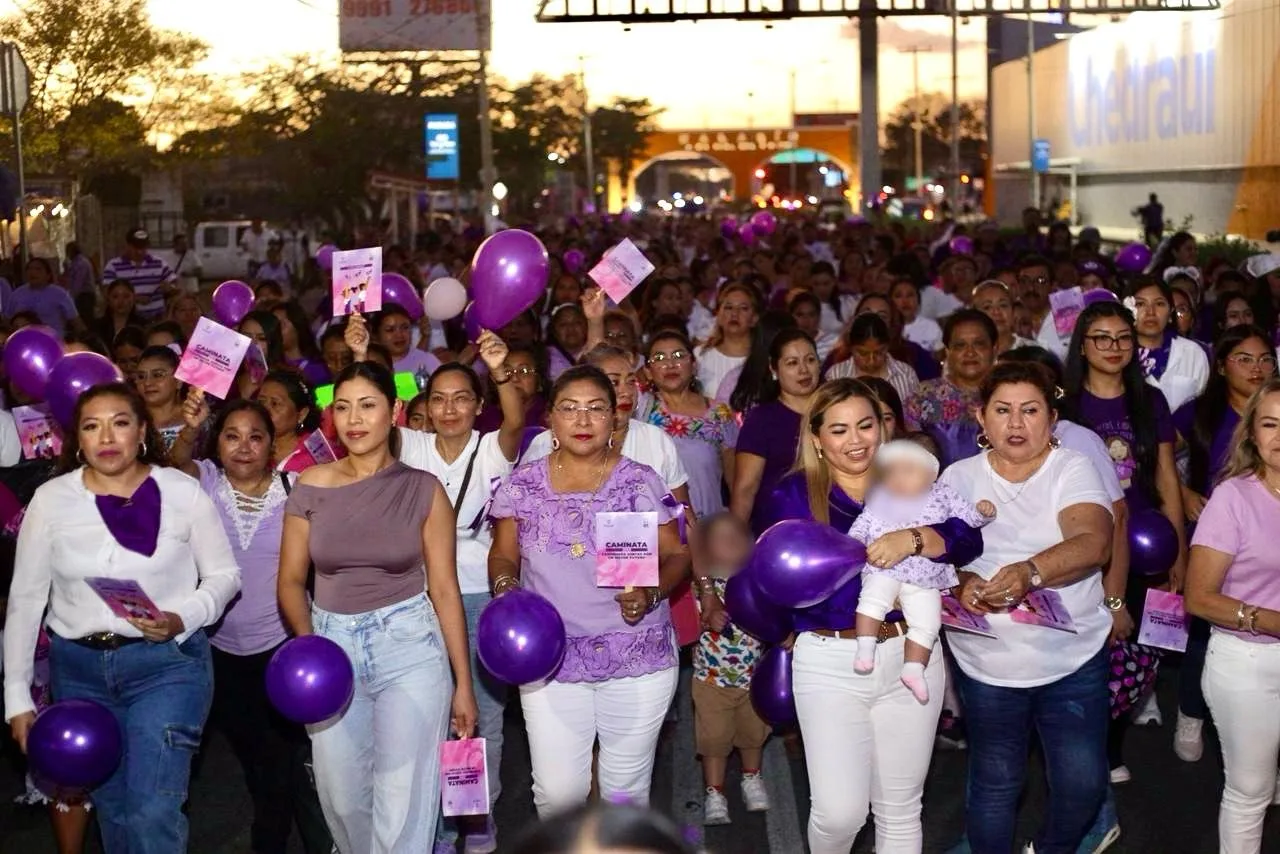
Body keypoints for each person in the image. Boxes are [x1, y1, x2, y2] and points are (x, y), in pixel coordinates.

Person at [3, 382, 241, 854]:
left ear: (142, 431)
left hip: (167, 667)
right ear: (78, 438)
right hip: (79, 674)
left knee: (153, 811)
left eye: (120, 423)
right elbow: (25, 599)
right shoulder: (51, 500)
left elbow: (225, 575)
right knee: (114, 811)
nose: (107, 437)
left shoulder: (182, 492)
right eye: (92, 426)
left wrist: (182, 617)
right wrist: (17, 698)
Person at [756, 378, 982, 853]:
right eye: (839, 430)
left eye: (866, 425)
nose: (856, 440)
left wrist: (914, 539)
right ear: (817, 437)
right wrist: (783, 634)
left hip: (912, 652)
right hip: (830, 659)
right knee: (839, 814)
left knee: (900, 809)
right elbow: (768, 574)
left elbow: (967, 538)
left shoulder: (911, 475)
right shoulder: (791, 495)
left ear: (884, 426)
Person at [277, 361, 478, 853]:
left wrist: (463, 684)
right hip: (331, 648)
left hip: (409, 646)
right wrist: (310, 647)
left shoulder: (424, 489)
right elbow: (290, 581)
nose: (354, 419)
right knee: (343, 801)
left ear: (395, 411)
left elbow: (445, 590)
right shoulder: (310, 485)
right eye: (343, 407)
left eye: (367, 405)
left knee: (403, 802)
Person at [488, 365, 690, 815]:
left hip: (636, 654)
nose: (583, 420)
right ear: (550, 418)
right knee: (558, 795)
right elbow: (502, 555)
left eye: (596, 409)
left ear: (614, 418)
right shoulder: (522, 485)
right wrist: (506, 589)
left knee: (624, 794)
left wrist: (651, 594)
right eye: (570, 408)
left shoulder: (640, 480)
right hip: (549, 657)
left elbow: (678, 554)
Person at [940, 361, 1115, 854]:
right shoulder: (958, 478)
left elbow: (1093, 541)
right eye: (1002, 410)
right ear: (981, 417)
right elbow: (934, 556)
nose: (1016, 424)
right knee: (996, 782)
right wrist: (963, 582)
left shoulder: (1071, 468)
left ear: (1052, 418)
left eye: (1030, 410)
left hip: (1072, 659)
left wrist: (1028, 572)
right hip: (988, 664)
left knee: (1082, 784)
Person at [177, 398, 333, 854]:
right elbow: (173, 464)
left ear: (271, 446)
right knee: (256, 760)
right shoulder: (205, 483)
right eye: (232, 436)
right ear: (216, 443)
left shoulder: (295, 488)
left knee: (282, 758)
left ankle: (275, 841)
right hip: (219, 652)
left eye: (255, 437)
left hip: (282, 648)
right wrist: (189, 428)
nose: (243, 447)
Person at [397, 332, 524, 854]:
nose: (449, 409)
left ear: (477, 406)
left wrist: (498, 368)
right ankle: (440, 825)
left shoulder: (491, 448)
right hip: (418, 598)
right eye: (439, 399)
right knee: (428, 716)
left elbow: (515, 419)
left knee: (481, 717)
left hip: (479, 598)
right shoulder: (412, 446)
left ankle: (475, 819)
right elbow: (366, 416)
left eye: (461, 398)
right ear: (426, 407)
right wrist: (359, 358)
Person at [1173, 326, 1277, 765]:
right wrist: (1182, 493)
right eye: (1244, 359)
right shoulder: (1202, 414)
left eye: (1265, 359)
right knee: (1203, 632)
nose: (1256, 368)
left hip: (1265, 539)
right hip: (1214, 531)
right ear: (1221, 367)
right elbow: (1156, 457)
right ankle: (1191, 711)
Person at [1185, 377, 1280, 854]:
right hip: (1248, 663)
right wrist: (1269, 620)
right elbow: (1198, 597)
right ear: (1252, 434)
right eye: (1271, 424)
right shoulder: (1233, 498)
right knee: (1250, 792)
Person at [850, 440, 995, 703]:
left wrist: (982, 513)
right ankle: (865, 647)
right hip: (884, 567)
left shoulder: (944, 494)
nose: (898, 478)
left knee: (928, 623)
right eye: (891, 471)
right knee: (872, 600)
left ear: (931, 474)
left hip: (925, 576)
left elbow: (967, 520)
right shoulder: (880, 496)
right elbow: (863, 522)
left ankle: (914, 669)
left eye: (908, 471)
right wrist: (855, 543)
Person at [690, 512, 770, 826]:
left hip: (754, 679)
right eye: (722, 538)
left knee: (753, 735)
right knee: (714, 741)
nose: (732, 543)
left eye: (738, 537)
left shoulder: (759, 581)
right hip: (711, 682)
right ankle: (715, 792)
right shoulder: (700, 586)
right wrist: (705, 618)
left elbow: (774, 619)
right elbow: (683, 625)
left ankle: (752, 778)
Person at [639, 330, 738, 518]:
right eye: (659, 358)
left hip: (708, 523)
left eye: (678, 355)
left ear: (694, 365)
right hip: (657, 525)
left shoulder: (719, 413)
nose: (670, 364)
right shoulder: (641, 409)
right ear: (648, 372)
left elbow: (735, 481)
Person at [731, 329, 819, 535]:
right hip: (777, 533)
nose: (804, 370)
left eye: (810, 360)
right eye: (792, 363)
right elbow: (745, 489)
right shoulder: (762, 420)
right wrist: (734, 542)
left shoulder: (835, 412)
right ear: (774, 369)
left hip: (832, 529)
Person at [905, 309, 998, 467]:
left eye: (979, 344)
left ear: (994, 349)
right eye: (960, 345)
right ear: (948, 352)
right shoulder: (924, 396)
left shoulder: (1010, 395)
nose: (970, 353)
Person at [1127, 277, 1209, 412]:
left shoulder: (1192, 352)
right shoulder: (1119, 352)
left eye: (1159, 304)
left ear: (1170, 313)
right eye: (1140, 304)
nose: (1150, 312)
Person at [825, 313, 920, 405]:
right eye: (863, 353)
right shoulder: (836, 375)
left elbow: (916, 412)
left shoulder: (906, 374)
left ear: (887, 347)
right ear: (851, 348)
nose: (871, 361)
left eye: (878, 353)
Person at [696, 283, 760, 398]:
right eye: (728, 308)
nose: (734, 314)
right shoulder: (700, 355)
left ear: (754, 318)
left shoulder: (764, 358)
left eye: (743, 308)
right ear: (718, 315)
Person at [101, 229, 177, 322]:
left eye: (143, 248)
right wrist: (135, 299)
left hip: (156, 319)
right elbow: (107, 292)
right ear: (127, 245)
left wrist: (170, 288)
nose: (139, 252)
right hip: (128, 320)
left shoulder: (159, 263)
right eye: (136, 248)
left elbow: (174, 285)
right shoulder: (113, 266)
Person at [6, 257, 82, 338]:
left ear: (48, 275)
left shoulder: (60, 294)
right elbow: (7, 319)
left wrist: (84, 335)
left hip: (53, 340)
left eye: (38, 269)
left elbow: (74, 319)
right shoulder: (17, 294)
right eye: (29, 269)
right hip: (23, 340)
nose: (33, 272)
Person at [972, 280, 1036, 355]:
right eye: (987, 307)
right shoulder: (970, 353)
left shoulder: (1032, 350)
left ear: (1012, 311)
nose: (997, 312)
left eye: (1003, 305)